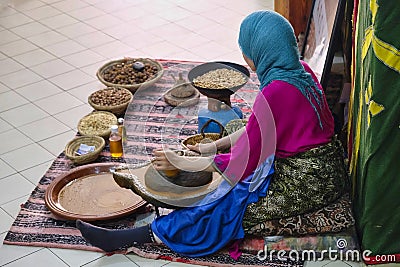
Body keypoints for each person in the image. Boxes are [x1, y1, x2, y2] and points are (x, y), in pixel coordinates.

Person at [76, 10, 349, 257]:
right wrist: (211, 148)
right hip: (323, 166)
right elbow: (256, 129)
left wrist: (183, 161)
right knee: (226, 192)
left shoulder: (276, 91)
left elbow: (243, 163)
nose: (244, 54)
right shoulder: (300, 71)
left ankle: (139, 237)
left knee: (226, 204)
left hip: (309, 182)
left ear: (258, 49)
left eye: (245, 47)